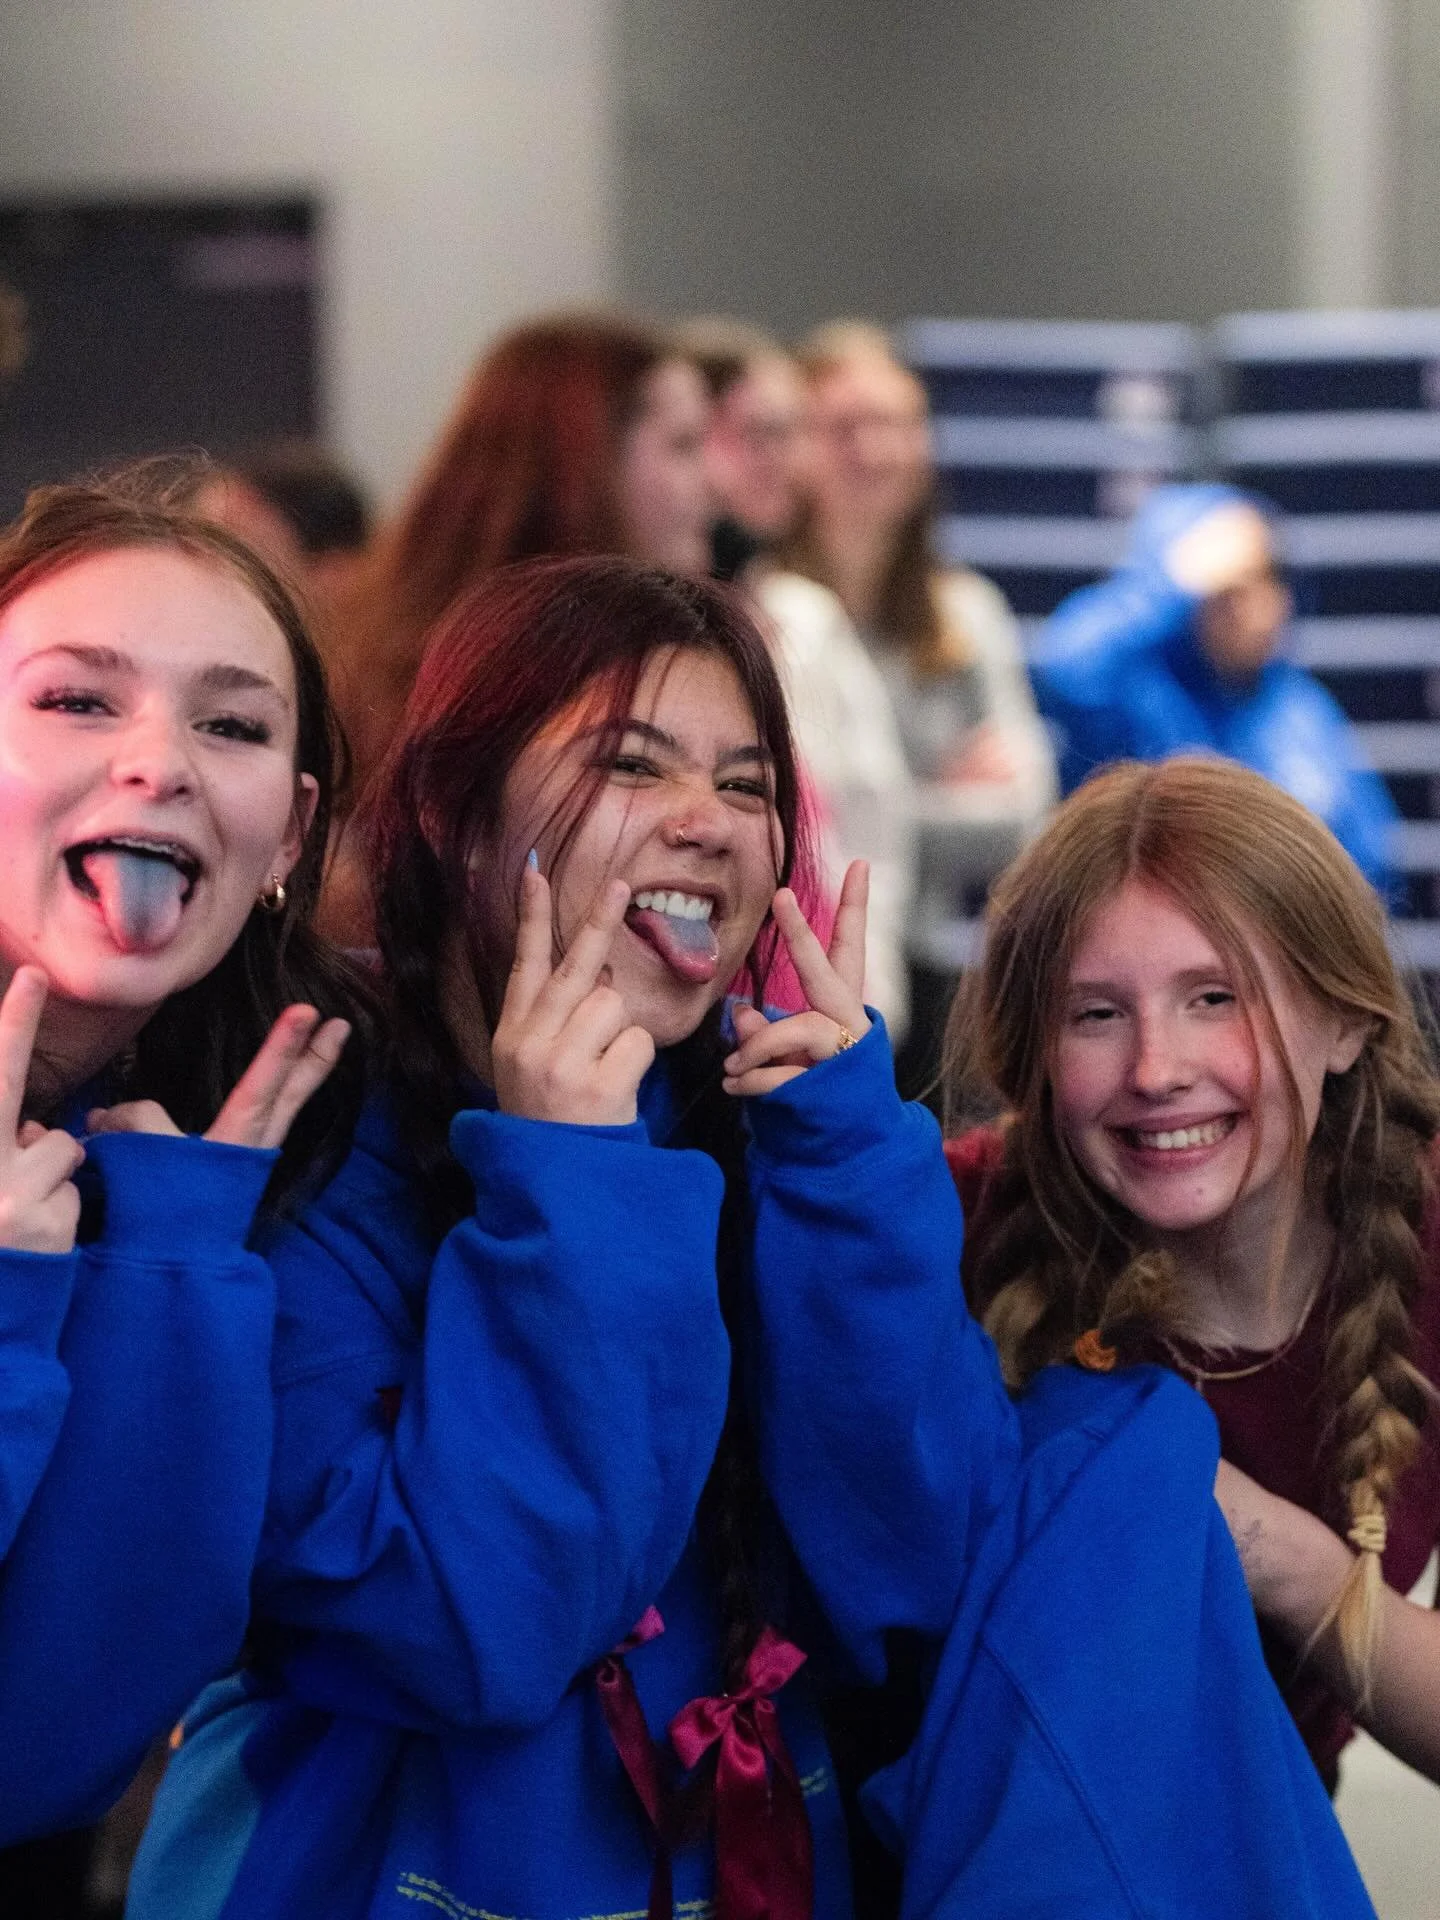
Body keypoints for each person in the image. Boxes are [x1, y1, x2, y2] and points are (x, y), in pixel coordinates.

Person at [127, 554, 999, 1919]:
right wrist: (567, 1177)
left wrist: (845, 1165)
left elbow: (914, 1585)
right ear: (455, 815)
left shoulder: (777, 1124)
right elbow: (467, 1628)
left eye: (750, 782)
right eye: (635, 766)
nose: (710, 822)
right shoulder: (291, 1122)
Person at [942, 755, 1440, 1799]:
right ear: (1033, 1050)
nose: (1156, 1070)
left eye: (1215, 997)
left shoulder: (1423, 1225)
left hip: (1248, 1860)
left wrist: (1285, 1556)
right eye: (1096, 1014)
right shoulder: (943, 1227)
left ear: (1346, 1021)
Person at [0, 467, 362, 1844]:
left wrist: (173, 1264)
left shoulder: (190, 1148)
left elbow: (48, 1751)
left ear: (294, 831)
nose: (160, 762)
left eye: (231, 723)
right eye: (78, 699)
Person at [680, 316, 915, 1035]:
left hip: (830, 1000)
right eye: (759, 433)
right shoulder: (637, 635)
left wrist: (867, 1001)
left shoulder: (806, 620)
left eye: (794, 434)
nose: (786, 460)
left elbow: (872, 829)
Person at [1029, 482, 1399, 897]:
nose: (1257, 607)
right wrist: (1175, 579)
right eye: (1229, 590)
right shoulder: (1140, 695)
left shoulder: (1300, 707)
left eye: (1269, 578)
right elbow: (1065, 664)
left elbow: (1372, 864)